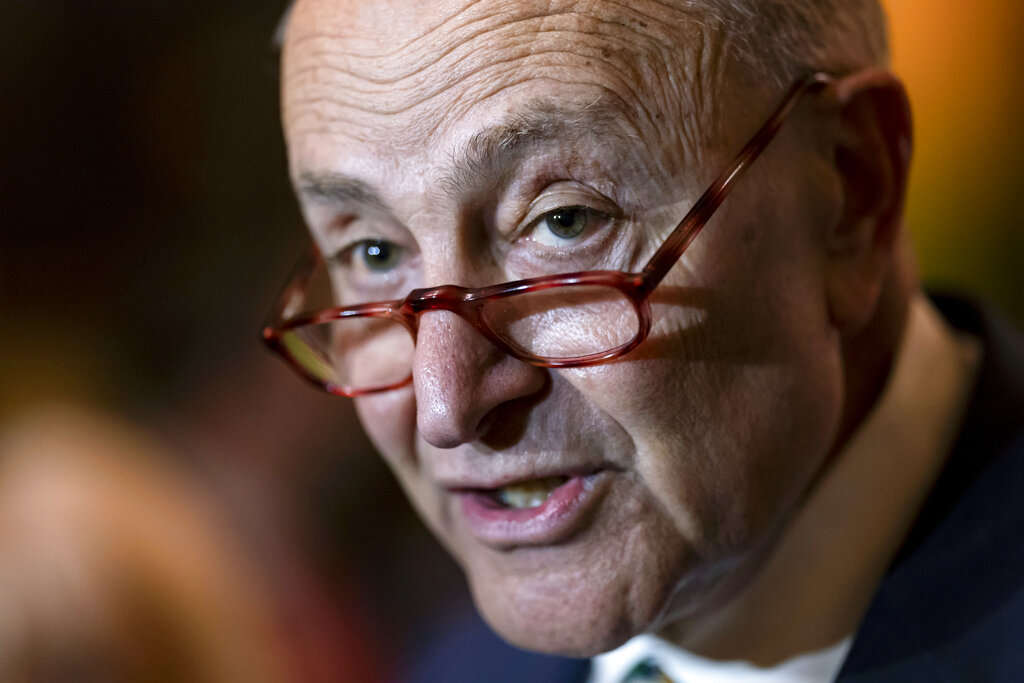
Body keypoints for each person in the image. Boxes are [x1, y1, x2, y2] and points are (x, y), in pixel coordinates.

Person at [264, 0, 1024, 680]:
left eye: (563, 221)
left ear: (852, 195)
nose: (444, 403)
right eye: (373, 252)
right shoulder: (459, 665)